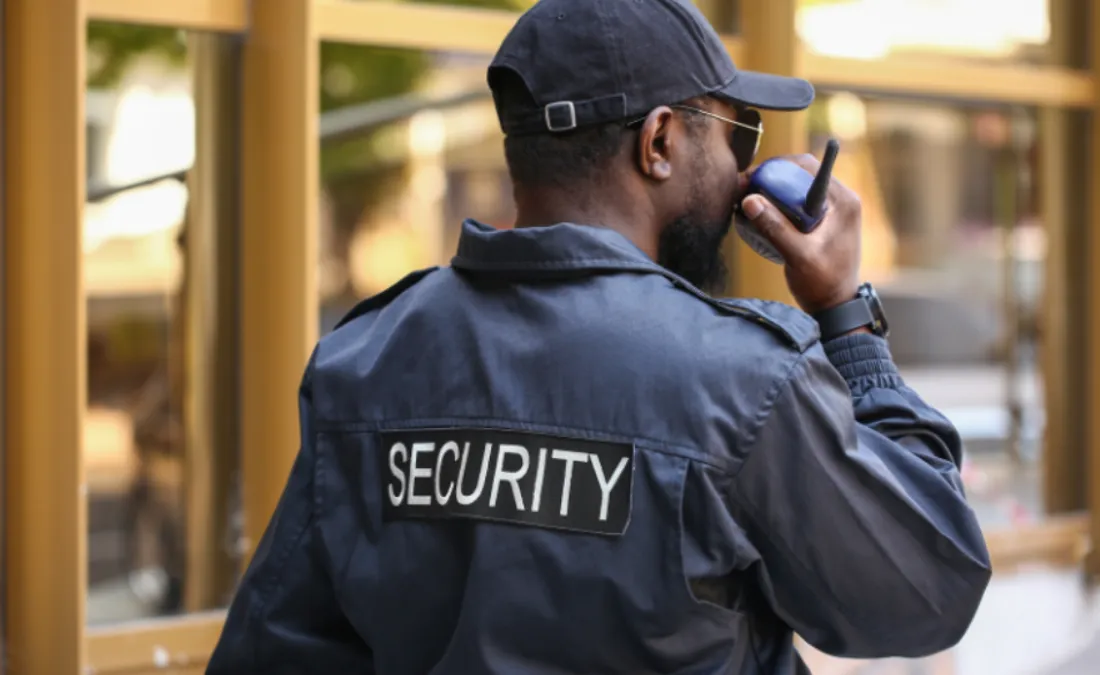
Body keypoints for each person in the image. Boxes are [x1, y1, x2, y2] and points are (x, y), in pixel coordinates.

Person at [206, 0, 992, 672]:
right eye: (736, 135)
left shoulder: (364, 361)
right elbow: (929, 585)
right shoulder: (743, 381)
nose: (742, 173)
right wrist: (847, 315)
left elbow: (273, 650)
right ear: (658, 143)